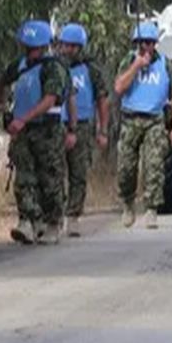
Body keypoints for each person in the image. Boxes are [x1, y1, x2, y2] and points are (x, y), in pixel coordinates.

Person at [0, 20, 69, 245]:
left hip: (47, 129)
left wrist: (23, 118)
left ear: (45, 46)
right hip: (23, 131)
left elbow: (50, 99)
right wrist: (3, 108)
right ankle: (27, 221)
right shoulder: (18, 66)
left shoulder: (54, 67)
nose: (31, 51)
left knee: (50, 178)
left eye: (35, 47)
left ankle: (53, 223)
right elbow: (1, 83)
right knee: (24, 178)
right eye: (28, 47)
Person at [114, 21, 172, 229]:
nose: (144, 47)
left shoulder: (166, 65)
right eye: (141, 43)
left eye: (149, 43)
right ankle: (127, 204)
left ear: (155, 44)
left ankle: (151, 209)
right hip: (130, 119)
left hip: (155, 120)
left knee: (154, 166)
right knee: (126, 167)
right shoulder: (128, 61)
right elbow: (119, 87)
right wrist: (136, 66)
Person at [56, 23, 110, 238]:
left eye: (71, 46)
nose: (66, 50)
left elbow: (102, 100)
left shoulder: (91, 70)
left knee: (78, 173)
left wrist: (102, 130)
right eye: (64, 45)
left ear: (80, 48)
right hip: (56, 125)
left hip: (84, 126)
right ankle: (55, 215)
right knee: (54, 172)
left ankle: (73, 216)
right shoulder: (54, 67)